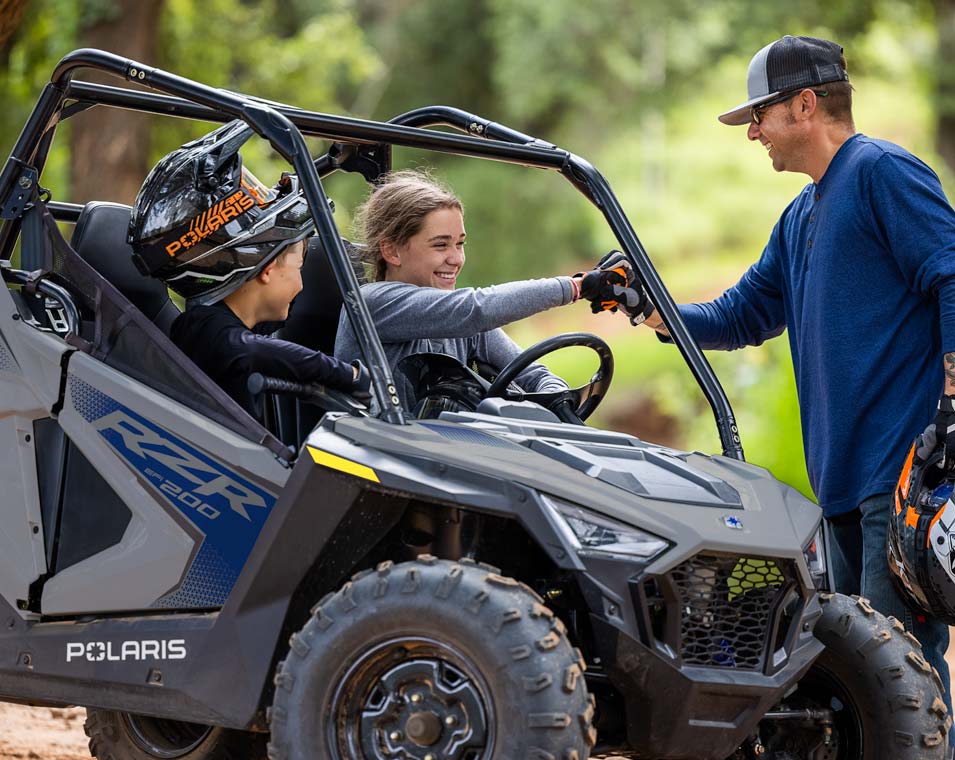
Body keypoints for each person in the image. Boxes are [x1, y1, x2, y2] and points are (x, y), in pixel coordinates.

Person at [641, 34, 955, 716]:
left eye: (759, 114)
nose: (752, 132)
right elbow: (741, 314)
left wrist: (954, 407)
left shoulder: (881, 173)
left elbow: (951, 272)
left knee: (898, 679)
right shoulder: (800, 215)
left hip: (900, 473)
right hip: (839, 486)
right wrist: (650, 305)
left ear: (805, 105)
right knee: (859, 678)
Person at [333, 170, 634, 414]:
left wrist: (557, 401)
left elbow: (532, 373)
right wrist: (577, 287)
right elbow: (477, 309)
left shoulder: (461, 322)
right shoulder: (372, 304)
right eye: (440, 245)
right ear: (392, 251)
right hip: (382, 457)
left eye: (460, 244)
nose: (456, 258)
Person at [129, 120, 369, 422]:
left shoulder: (223, 324)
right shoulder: (203, 329)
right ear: (266, 270)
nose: (301, 285)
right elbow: (254, 351)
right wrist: (349, 374)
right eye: (299, 267)